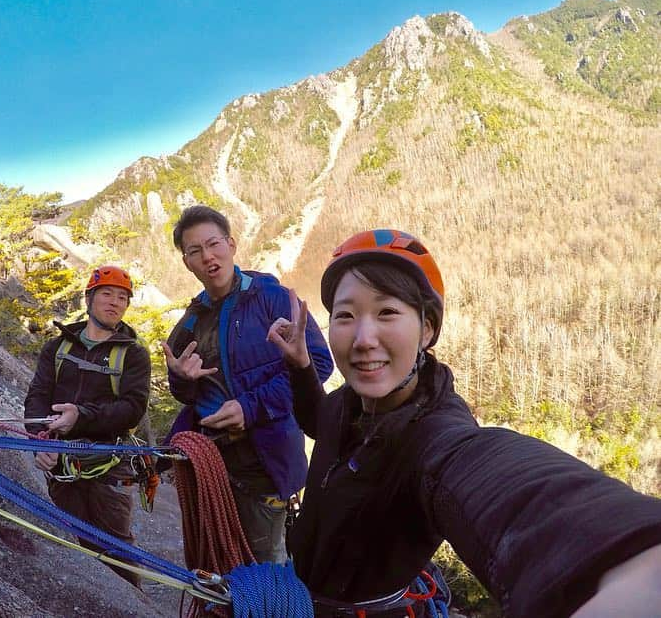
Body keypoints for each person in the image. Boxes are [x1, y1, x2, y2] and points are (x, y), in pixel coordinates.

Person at [267, 228, 661, 618]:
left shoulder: (435, 435)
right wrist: (300, 365)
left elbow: (498, 480)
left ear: (426, 329)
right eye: (345, 316)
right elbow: (320, 424)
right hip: (301, 595)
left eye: (387, 312)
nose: (363, 337)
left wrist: (622, 555)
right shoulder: (348, 401)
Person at [161, 205, 334, 564]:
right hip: (210, 465)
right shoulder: (190, 323)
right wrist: (181, 380)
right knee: (216, 563)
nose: (208, 257)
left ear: (231, 244)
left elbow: (317, 363)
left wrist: (250, 406)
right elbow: (186, 395)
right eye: (195, 251)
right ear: (186, 263)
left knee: (264, 565)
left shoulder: (273, 298)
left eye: (213, 244)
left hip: (264, 464)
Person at [24, 265, 150, 588]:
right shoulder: (57, 348)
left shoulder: (133, 355)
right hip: (63, 465)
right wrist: (42, 442)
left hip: (111, 467)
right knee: (77, 544)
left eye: (122, 297)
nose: (115, 302)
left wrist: (81, 415)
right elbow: (38, 397)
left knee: (116, 549)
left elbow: (132, 410)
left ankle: (132, 606)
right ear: (89, 298)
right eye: (107, 294)